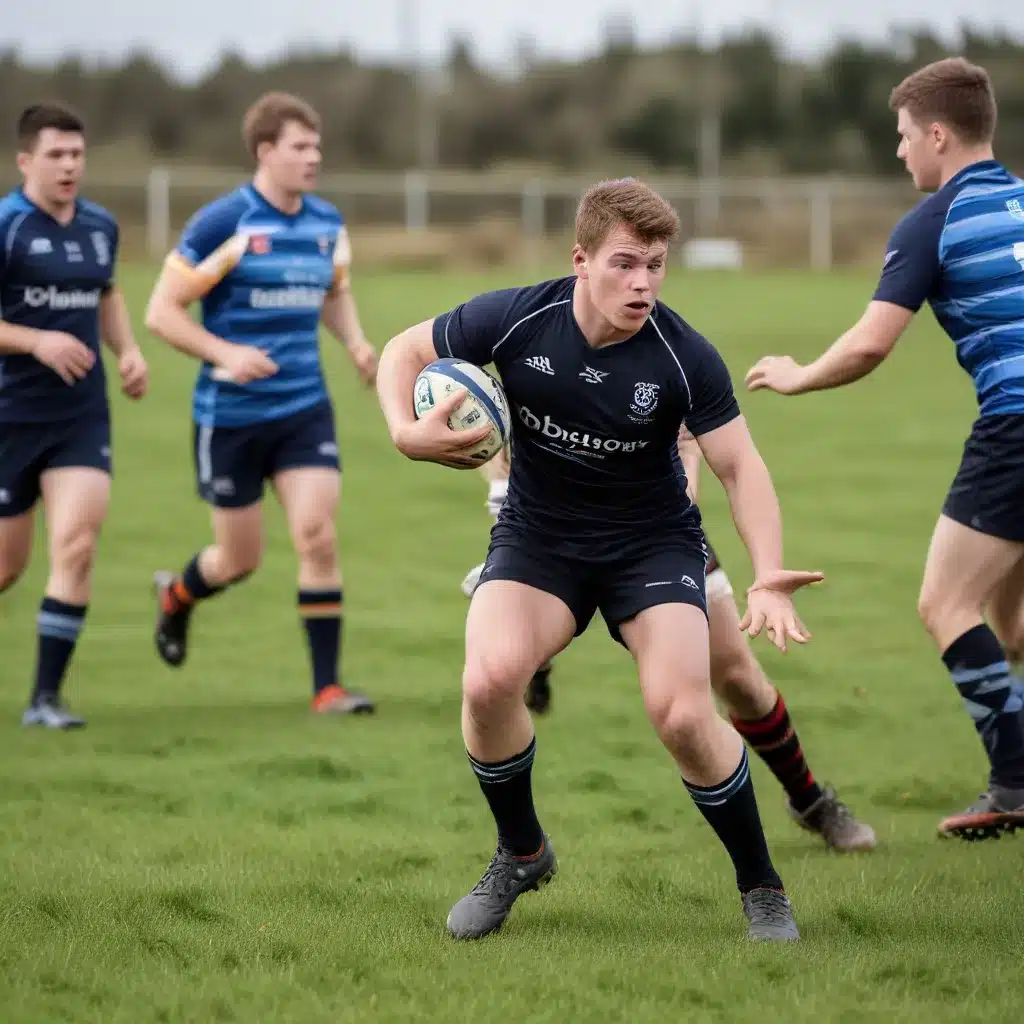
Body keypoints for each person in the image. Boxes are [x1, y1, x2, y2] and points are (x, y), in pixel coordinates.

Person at [377, 177, 824, 942]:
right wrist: (402, 430)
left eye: (655, 264)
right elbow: (403, 349)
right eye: (624, 263)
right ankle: (522, 853)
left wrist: (769, 573)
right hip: (539, 536)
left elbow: (741, 469)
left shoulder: (684, 358)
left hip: (650, 544)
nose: (643, 282)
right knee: (487, 681)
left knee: (682, 714)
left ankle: (762, 885)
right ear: (580, 259)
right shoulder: (518, 318)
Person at [745, 57, 1024, 841]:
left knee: (945, 604)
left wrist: (799, 378)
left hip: (1015, 424)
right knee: (1013, 629)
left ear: (938, 134)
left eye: (904, 137)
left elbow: (870, 345)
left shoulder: (932, 221)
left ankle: (1014, 782)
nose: (900, 152)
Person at [461, 430, 876, 853]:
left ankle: (810, 801)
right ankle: (520, 846)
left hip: (653, 538)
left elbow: (687, 485)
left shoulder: (659, 369)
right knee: (505, 656)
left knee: (737, 678)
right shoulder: (529, 377)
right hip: (550, 539)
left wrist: (687, 459)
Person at [144, 91, 378, 714]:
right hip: (231, 418)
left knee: (316, 535)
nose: (314, 157)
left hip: (304, 409)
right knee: (239, 559)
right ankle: (178, 598)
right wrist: (223, 353)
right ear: (265, 151)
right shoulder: (226, 223)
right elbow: (161, 312)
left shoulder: (326, 224)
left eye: (317, 146)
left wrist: (354, 341)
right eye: (300, 147)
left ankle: (327, 688)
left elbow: (334, 292)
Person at [0, 103, 148, 729]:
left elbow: (105, 294)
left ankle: (44, 700)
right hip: (10, 416)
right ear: (26, 160)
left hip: (81, 416)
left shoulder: (99, 226)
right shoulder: (6, 225)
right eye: (56, 155)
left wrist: (129, 350)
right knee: (8, 565)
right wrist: (35, 341)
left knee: (77, 545)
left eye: (77, 155)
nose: (69, 166)